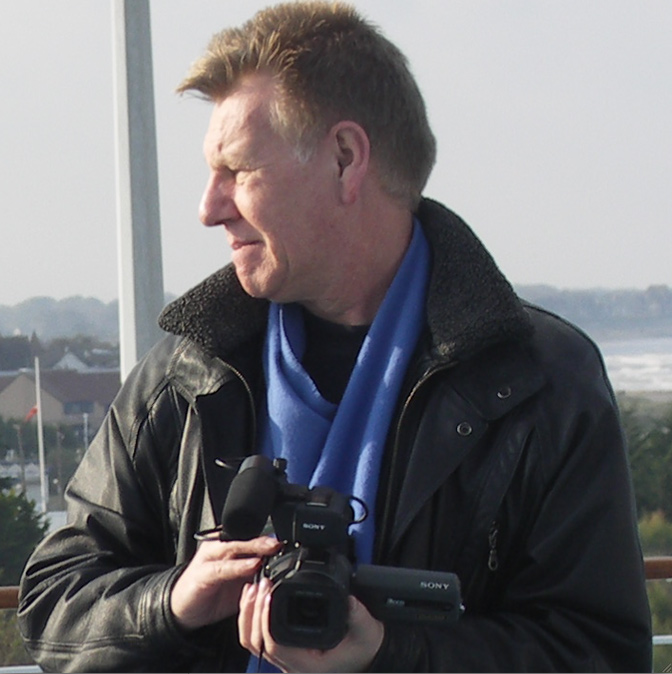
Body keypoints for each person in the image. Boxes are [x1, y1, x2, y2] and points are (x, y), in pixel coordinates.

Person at [18, 2, 651, 671]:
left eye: (236, 169)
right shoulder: (187, 370)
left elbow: (601, 654)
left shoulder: (541, 383)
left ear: (346, 159)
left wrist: (386, 654)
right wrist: (176, 600)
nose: (208, 208)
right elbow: (53, 601)